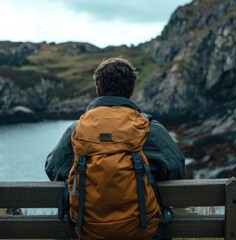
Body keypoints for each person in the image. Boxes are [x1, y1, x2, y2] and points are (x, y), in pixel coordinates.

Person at [45, 57, 185, 239]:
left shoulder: (78, 129)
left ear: (98, 90)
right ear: (131, 91)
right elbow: (177, 168)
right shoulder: (148, 127)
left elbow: (53, 168)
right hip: (142, 229)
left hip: (88, 230)